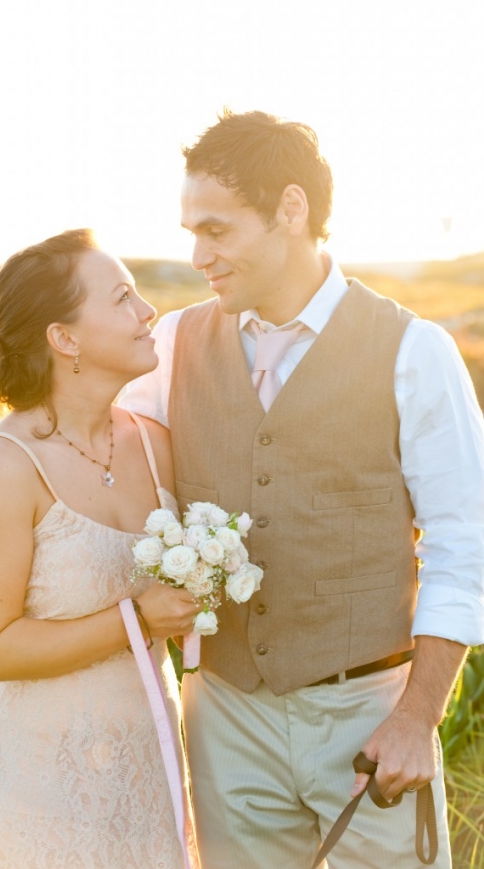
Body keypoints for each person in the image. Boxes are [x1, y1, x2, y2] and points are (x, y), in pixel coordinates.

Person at [118, 111, 484, 867]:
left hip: (369, 719)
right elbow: (94, 474)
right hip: (224, 717)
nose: (198, 255)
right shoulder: (169, 347)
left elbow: (464, 542)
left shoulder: (415, 353)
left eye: (217, 230)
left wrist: (418, 717)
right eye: (192, 232)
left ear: (291, 209)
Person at [0, 229, 200, 868]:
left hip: (147, 771)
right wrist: (136, 621)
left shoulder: (154, 443)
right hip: (39, 790)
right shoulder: (7, 464)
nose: (148, 313)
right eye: (123, 298)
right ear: (65, 338)